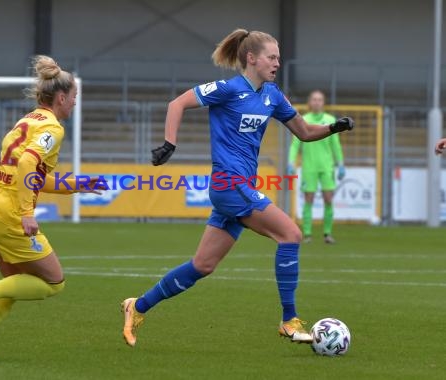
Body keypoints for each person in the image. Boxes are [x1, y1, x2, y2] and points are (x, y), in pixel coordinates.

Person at [121, 28, 354, 347]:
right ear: (251, 58)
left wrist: (333, 128)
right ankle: (289, 321)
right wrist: (169, 144)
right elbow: (177, 104)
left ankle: (138, 305)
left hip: (240, 187)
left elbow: (303, 131)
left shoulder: (273, 95)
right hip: (228, 185)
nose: (277, 63)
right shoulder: (227, 89)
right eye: (272, 57)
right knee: (291, 234)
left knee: (202, 265)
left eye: (279, 58)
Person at [0, 55, 104, 360]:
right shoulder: (54, 128)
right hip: (9, 212)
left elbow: (32, 175)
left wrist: (77, 184)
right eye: (74, 97)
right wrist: (26, 213)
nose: (75, 103)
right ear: (61, 97)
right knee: (53, 282)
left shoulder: (28, 120)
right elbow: (27, 162)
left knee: (12, 285)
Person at [287, 90, 345, 244]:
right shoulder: (304, 120)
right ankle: (307, 234)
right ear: (309, 102)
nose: (317, 102)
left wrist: (340, 164)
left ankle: (327, 233)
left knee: (328, 199)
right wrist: (291, 162)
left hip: (327, 167)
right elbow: (295, 145)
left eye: (320, 99)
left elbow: (336, 145)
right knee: (308, 200)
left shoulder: (330, 120)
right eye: (314, 99)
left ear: (323, 102)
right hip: (309, 168)